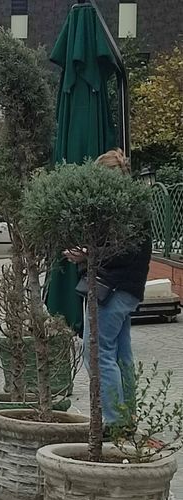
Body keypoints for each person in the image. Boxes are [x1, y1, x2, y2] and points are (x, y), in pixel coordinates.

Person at [78, 148, 146, 432]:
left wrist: (87, 254)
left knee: (96, 353)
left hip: (113, 289)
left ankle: (115, 421)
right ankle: (127, 416)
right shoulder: (135, 205)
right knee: (121, 354)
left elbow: (122, 252)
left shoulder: (120, 208)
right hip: (129, 289)